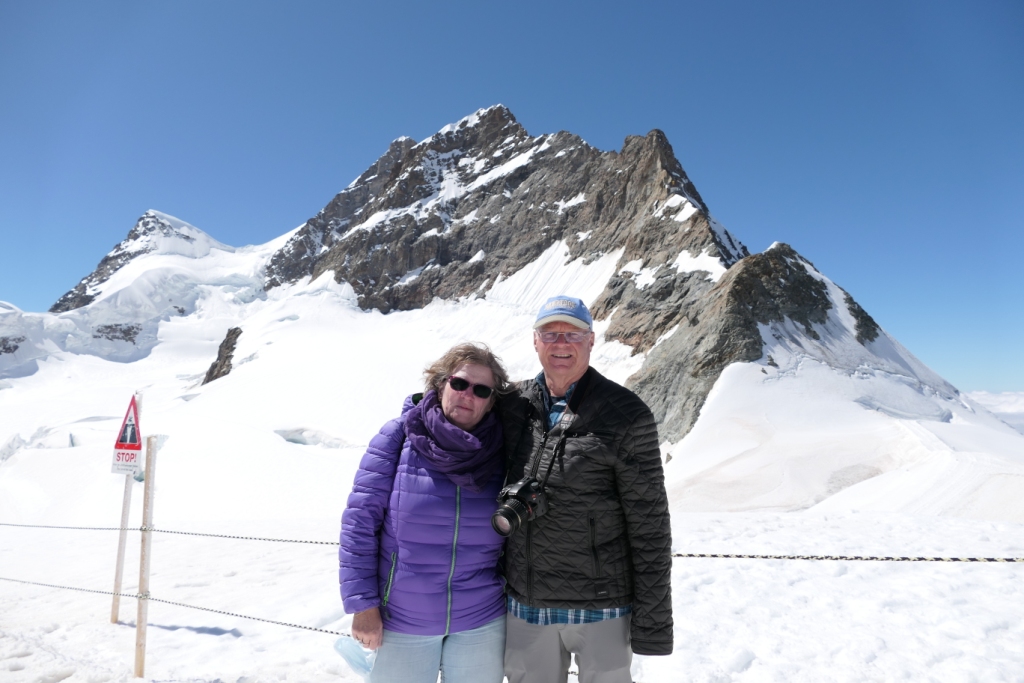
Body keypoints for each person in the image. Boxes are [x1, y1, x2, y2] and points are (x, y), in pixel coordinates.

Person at [497, 296, 673, 683]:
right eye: (550, 333)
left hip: (603, 607)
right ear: (535, 340)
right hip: (526, 603)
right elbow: (456, 409)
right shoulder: (511, 405)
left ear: (591, 341)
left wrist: (653, 623)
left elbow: (649, 524)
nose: (561, 343)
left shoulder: (625, 413)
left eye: (573, 334)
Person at [339, 343, 510, 683]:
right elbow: (359, 524)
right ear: (440, 383)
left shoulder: (502, 449)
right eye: (459, 383)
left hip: (482, 620)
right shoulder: (399, 435)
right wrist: (363, 605)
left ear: (491, 401)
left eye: (481, 390)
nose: (467, 395)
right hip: (403, 620)